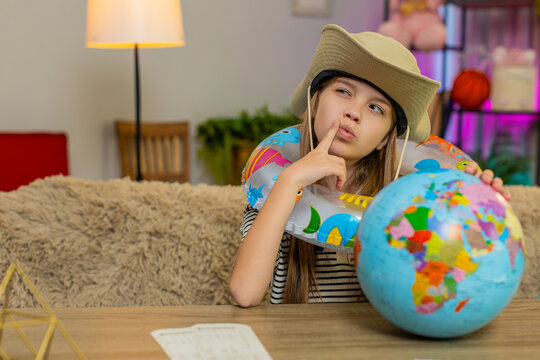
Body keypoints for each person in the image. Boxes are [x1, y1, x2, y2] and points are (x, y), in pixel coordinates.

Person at [229, 24, 511, 308]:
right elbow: (244, 292)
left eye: (376, 108)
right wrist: (289, 183)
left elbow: (449, 285)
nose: (354, 112)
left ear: (385, 138)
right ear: (314, 104)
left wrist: (478, 204)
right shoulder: (276, 188)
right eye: (343, 91)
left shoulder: (409, 205)